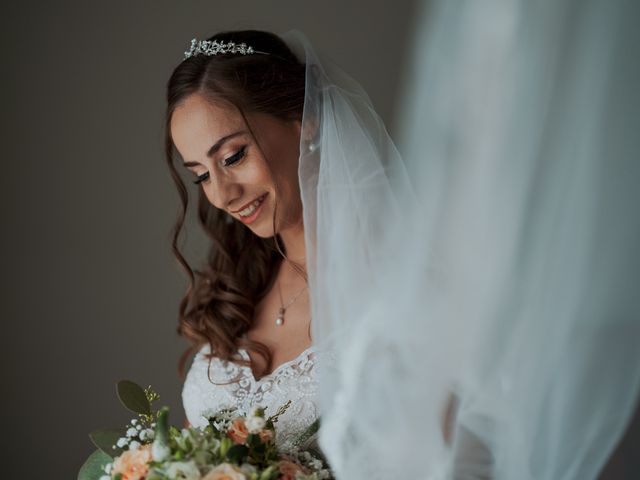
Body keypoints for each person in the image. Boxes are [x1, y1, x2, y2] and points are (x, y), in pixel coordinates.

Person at [164, 30, 323, 453]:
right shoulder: (238, 288)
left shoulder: (402, 290)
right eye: (200, 174)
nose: (219, 196)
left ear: (303, 122)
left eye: (233, 157)